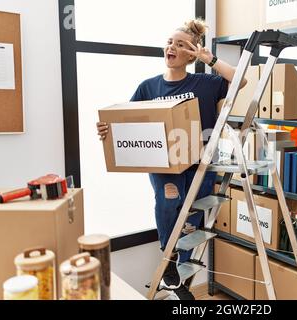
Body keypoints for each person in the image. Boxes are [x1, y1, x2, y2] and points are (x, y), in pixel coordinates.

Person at [97, 19, 246, 300]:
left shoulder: (205, 82)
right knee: (168, 204)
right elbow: (126, 121)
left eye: (180, 44)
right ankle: (169, 261)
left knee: (192, 219)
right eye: (169, 42)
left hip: (201, 163)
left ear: (191, 54)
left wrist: (208, 58)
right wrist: (106, 129)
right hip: (164, 164)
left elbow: (241, 80)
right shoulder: (148, 87)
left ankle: (180, 278)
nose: (171, 47)